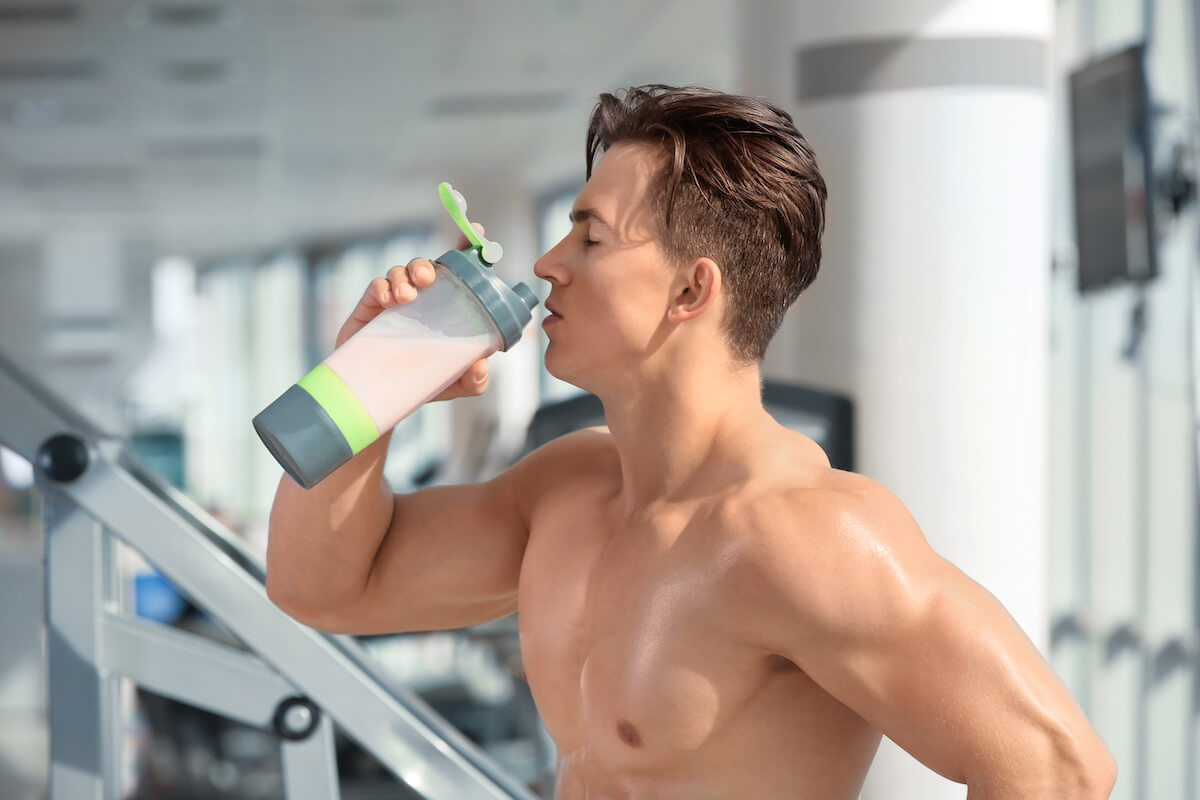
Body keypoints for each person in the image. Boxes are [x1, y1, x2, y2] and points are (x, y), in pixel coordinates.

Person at [265, 85, 1116, 799]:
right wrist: (369, 382)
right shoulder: (566, 491)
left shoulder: (804, 537)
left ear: (688, 289)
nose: (551, 262)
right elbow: (326, 589)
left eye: (590, 236)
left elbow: (1058, 770)